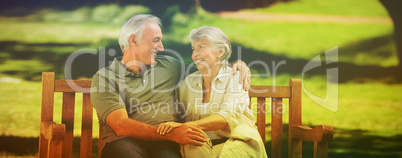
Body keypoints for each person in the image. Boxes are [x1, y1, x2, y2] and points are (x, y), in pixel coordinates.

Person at [90, 14, 251, 158]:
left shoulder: (170, 66)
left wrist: (237, 64)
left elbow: (210, 65)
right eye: (156, 40)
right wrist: (171, 134)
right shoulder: (106, 77)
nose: (161, 47)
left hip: (166, 145)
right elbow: (121, 125)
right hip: (124, 142)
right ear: (133, 40)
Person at [157, 26, 267, 158]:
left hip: (237, 142)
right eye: (193, 49)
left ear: (220, 51)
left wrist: (186, 126)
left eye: (201, 47)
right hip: (202, 144)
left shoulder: (236, 78)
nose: (195, 54)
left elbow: (227, 117)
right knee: (191, 142)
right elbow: (174, 112)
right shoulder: (188, 83)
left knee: (193, 143)